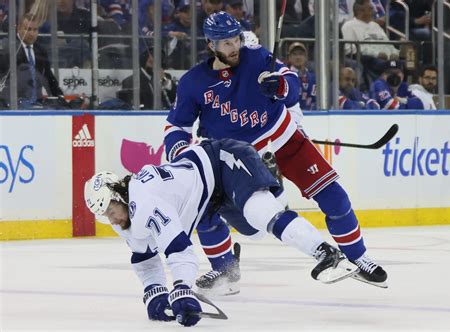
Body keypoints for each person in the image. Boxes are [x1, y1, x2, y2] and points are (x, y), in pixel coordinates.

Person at [164, 11, 388, 289]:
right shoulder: (193, 82)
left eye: (236, 39)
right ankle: (225, 268)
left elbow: (292, 85)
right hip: (230, 156)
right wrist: (178, 153)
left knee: (334, 196)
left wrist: (281, 85)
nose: (234, 47)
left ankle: (359, 257)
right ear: (211, 45)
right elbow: (177, 126)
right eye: (226, 43)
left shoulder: (258, 58)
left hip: (282, 139)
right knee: (207, 210)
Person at [84, 138, 360, 327]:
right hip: (205, 195)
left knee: (260, 212)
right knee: (253, 233)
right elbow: (145, 259)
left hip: (220, 159)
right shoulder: (123, 216)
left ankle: (326, 253)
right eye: (104, 214)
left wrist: (181, 289)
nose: (111, 218)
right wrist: (155, 294)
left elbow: (179, 248)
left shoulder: (143, 201)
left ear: (119, 193)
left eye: (110, 209)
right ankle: (267, 187)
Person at [0, 13, 64, 107]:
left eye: (35, 30)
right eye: (28, 29)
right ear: (18, 29)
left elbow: (48, 77)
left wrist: (59, 96)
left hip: (36, 103)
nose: (31, 33)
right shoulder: (8, 49)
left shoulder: (40, 51)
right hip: (12, 104)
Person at [286, 42, 317, 110]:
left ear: (306, 57)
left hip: (312, 116)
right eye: (294, 54)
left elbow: (316, 99)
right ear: (289, 58)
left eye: (301, 54)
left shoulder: (313, 77)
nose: (298, 57)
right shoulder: (285, 76)